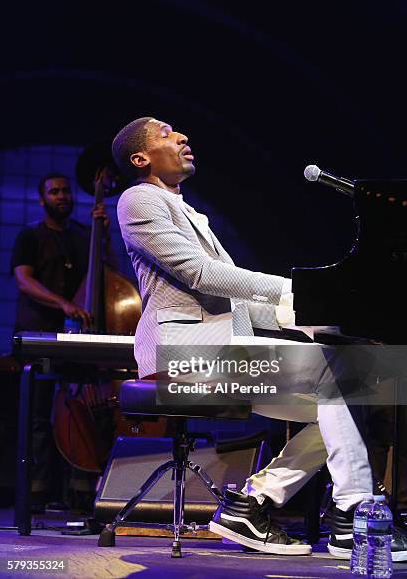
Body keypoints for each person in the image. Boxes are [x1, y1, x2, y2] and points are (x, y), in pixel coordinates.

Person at [112, 117, 407, 560]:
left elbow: (239, 305)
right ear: (140, 157)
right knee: (339, 377)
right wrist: (292, 289)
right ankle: (353, 515)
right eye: (166, 133)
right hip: (182, 353)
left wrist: (316, 317)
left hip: (221, 350)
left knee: (346, 398)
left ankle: (251, 505)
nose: (183, 137)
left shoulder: (186, 209)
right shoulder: (138, 199)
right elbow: (202, 274)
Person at [11, 173, 113, 512]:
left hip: (79, 341)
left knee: (81, 412)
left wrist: (104, 235)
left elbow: (106, 272)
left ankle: (80, 488)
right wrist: (65, 303)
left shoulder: (84, 237)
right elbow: (24, 281)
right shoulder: (31, 235)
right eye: (54, 192)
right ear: (42, 200)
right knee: (38, 418)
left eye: (66, 191)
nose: (62, 196)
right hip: (39, 334)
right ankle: (37, 491)